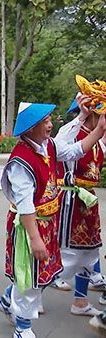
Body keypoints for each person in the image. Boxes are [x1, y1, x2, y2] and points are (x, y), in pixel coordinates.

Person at [0, 101, 106, 338]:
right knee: (30, 276)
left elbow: (75, 150)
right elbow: (25, 205)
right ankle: (22, 328)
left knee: (45, 272)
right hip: (29, 226)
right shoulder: (21, 161)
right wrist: (35, 240)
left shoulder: (48, 145)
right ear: (31, 128)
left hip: (47, 222)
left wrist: (98, 131)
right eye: (46, 122)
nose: (51, 125)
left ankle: (6, 300)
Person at [52, 94, 106, 317]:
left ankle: (81, 301)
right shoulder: (73, 135)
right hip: (70, 201)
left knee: (89, 254)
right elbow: (58, 146)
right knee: (64, 256)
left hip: (88, 202)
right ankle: (12, 296)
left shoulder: (98, 139)